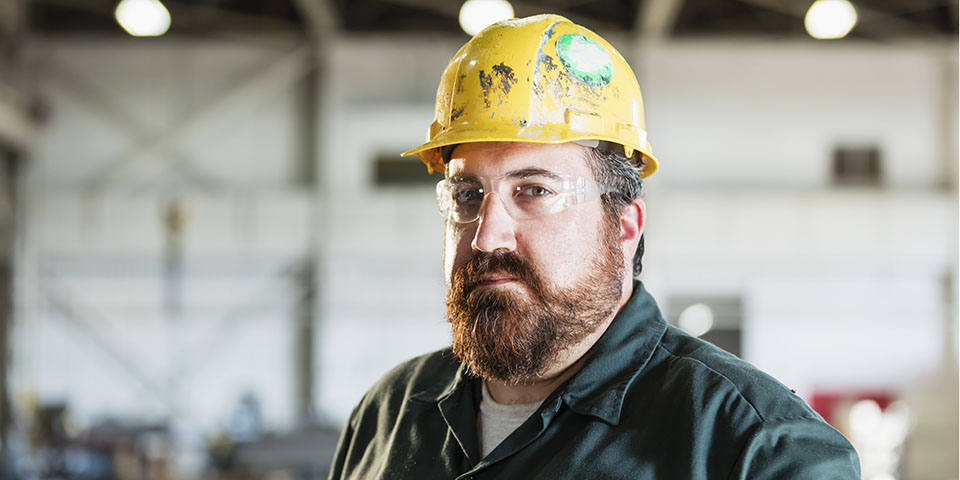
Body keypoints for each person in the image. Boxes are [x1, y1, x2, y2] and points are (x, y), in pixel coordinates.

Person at [328, 14, 861, 479]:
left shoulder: (758, 449)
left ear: (624, 227)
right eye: (467, 194)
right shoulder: (388, 415)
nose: (486, 234)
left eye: (534, 191)